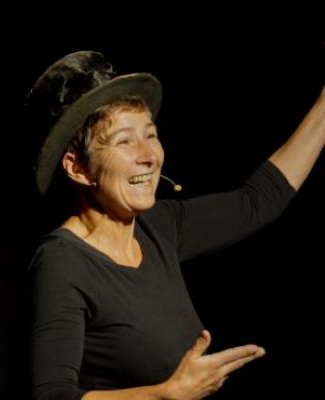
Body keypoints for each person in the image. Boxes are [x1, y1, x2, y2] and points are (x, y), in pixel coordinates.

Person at [25, 50, 324, 400]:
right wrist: (166, 393)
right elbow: (52, 395)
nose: (149, 156)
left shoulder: (158, 225)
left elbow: (258, 201)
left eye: (150, 135)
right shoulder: (62, 263)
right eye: (125, 141)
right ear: (78, 168)